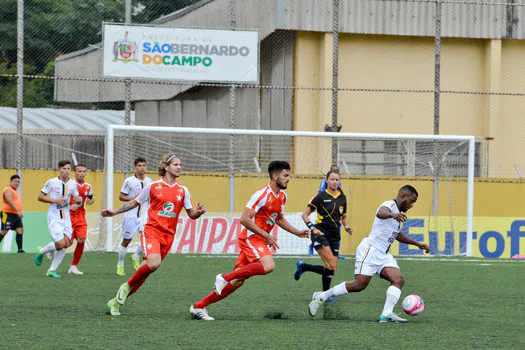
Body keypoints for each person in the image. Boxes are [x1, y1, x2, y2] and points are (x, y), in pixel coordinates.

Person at [190, 161, 310, 321]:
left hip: (260, 239)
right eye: (285, 175)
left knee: (237, 281)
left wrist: (297, 232)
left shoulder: (282, 196)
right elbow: (244, 219)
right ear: (275, 176)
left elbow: (278, 218)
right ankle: (223, 277)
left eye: (289, 175)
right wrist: (266, 235)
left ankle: (198, 306)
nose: (289, 179)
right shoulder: (261, 195)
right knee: (268, 266)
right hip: (251, 238)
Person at [307, 185, 430, 323]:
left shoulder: (398, 215)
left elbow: (397, 235)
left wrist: (417, 244)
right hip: (370, 250)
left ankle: (386, 314)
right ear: (403, 196)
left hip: (383, 254)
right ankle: (322, 296)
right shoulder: (389, 205)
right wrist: (392, 214)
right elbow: (381, 213)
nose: (412, 205)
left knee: (398, 280)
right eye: (411, 201)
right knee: (360, 285)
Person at [103, 153, 206, 316]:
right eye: (176, 164)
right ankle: (125, 286)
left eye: (180, 164)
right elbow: (134, 202)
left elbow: (191, 214)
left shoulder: (183, 190)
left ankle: (115, 302)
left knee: (145, 272)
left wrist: (199, 212)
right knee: (153, 264)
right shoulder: (153, 186)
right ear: (166, 167)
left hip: (169, 235)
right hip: (151, 229)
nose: (179, 167)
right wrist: (115, 212)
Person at [294, 170, 353, 301]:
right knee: (331, 265)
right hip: (320, 233)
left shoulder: (343, 198)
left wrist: (346, 226)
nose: (334, 182)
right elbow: (305, 215)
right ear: (326, 181)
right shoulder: (320, 197)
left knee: (332, 269)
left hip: (335, 236)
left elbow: (343, 216)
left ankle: (304, 267)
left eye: (337, 179)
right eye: (332, 179)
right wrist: (312, 228)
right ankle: (325, 295)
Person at [35, 160, 81, 278]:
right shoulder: (52, 182)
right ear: (59, 169)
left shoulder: (72, 184)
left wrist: (78, 200)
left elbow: (76, 196)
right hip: (54, 217)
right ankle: (41, 251)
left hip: (66, 218)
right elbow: (40, 197)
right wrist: (55, 200)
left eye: (68, 169)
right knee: (60, 244)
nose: (66, 171)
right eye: (64, 169)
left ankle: (51, 270)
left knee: (66, 244)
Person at [116, 157, 151, 276]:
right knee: (126, 240)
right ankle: (120, 264)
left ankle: (135, 256)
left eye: (144, 165)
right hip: (131, 215)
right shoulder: (129, 181)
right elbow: (121, 196)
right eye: (139, 166)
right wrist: (133, 199)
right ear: (135, 167)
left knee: (146, 238)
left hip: (145, 216)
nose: (142, 168)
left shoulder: (149, 181)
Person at [308, 164, 345, 259]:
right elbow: (320, 192)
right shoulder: (324, 181)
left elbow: (339, 193)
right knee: (320, 230)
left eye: (337, 171)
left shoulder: (338, 182)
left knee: (337, 229)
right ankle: (311, 248)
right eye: (334, 171)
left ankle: (337, 251)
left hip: (336, 209)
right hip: (326, 208)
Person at [67, 164, 94, 275]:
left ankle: (73, 266)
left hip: (81, 216)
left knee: (81, 240)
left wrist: (90, 201)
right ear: (75, 172)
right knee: (66, 243)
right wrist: (69, 207)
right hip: (68, 216)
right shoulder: (69, 184)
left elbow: (91, 199)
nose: (82, 173)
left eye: (84, 171)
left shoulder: (88, 186)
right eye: (79, 171)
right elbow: (61, 200)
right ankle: (50, 249)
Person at [0, 175, 25, 253]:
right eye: (15, 181)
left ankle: (20, 250)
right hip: (7, 214)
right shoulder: (8, 189)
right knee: (4, 231)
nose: (17, 183)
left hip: (16, 215)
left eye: (18, 182)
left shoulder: (15, 191)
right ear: (10, 182)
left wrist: (17, 211)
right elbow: (9, 200)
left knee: (20, 230)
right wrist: (17, 210)